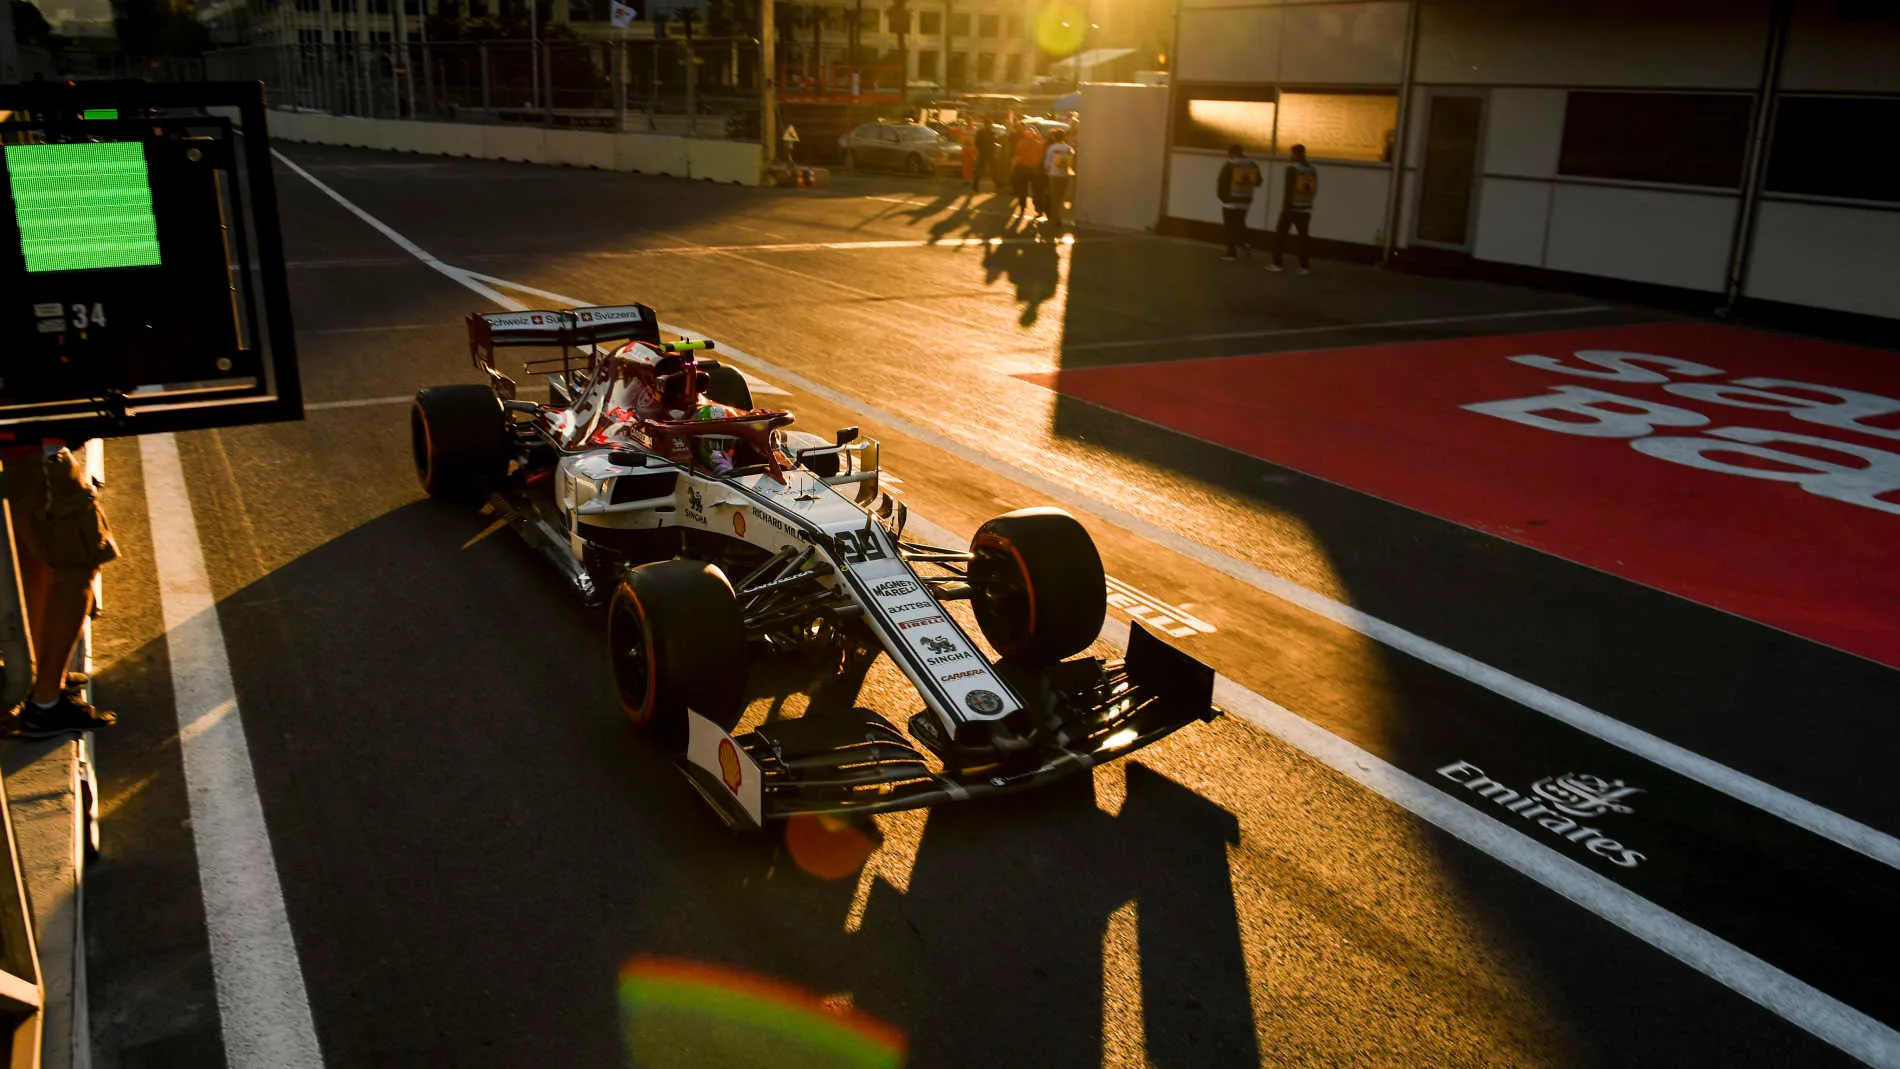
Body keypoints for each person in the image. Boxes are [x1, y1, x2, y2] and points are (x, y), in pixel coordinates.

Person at [2, 442, 118, 738]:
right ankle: (46, 702)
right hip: (30, 452)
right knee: (77, 564)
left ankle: (38, 677)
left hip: (16, 456)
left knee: (30, 562)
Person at [1268, 143, 1318, 274]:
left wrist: (1286, 207)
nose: (1290, 156)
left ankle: (1277, 263)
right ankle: (1304, 266)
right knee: (1303, 238)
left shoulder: (1291, 169)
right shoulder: (1312, 170)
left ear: (1295, 154)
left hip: (1291, 208)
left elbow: (1288, 190)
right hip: (1305, 208)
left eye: (1291, 153)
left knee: (1280, 236)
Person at [1215, 143, 1263, 261]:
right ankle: (1245, 242)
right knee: (1240, 223)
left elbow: (1222, 182)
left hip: (1230, 201)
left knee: (1230, 227)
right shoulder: (1252, 165)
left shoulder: (1230, 165)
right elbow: (1258, 182)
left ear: (1233, 152)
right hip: (1245, 201)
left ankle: (1231, 252)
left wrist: (1222, 197)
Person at [1010, 120, 1046, 219]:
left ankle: (1022, 208)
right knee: (1037, 192)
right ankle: (1038, 210)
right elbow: (1043, 155)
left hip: (1022, 170)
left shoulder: (1021, 143)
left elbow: (1017, 157)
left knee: (1022, 191)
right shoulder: (1039, 143)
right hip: (1035, 170)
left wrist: (1013, 169)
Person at [1042, 129, 1075, 231]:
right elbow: (1072, 162)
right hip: (1064, 175)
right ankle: (1059, 216)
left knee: (1054, 197)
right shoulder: (1069, 148)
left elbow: (1047, 163)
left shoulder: (1052, 148)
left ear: (1054, 137)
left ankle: (1054, 219)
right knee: (1061, 197)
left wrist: (1048, 169)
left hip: (1053, 174)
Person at [972, 117, 997, 194]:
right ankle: (975, 186)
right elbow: (976, 142)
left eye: (991, 124)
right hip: (982, 153)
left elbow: (993, 143)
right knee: (979, 170)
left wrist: (993, 151)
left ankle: (996, 185)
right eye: (989, 124)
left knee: (993, 169)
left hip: (990, 154)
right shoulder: (981, 132)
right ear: (986, 124)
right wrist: (981, 149)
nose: (990, 126)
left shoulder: (992, 133)